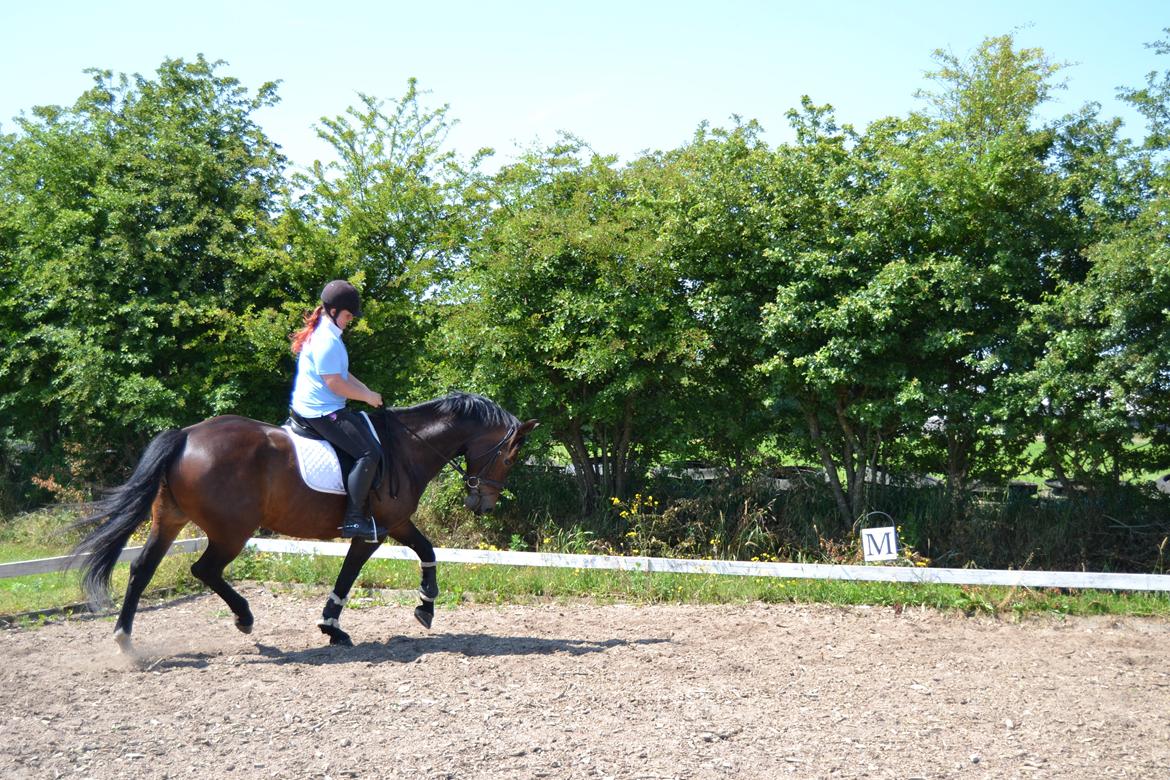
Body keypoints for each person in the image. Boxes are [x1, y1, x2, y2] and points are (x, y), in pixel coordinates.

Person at [289, 280, 384, 540]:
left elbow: (342, 373)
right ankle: (353, 520)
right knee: (369, 452)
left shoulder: (328, 333)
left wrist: (366, 390)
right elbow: (335, 383)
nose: (350, 320)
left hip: (320, 406)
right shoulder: (326, 340)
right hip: (320, 412)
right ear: (333, 311)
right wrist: (366, 397)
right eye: (348, 315)